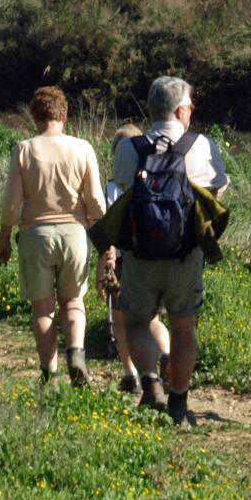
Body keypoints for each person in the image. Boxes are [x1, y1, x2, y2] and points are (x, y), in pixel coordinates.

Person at [98, 76, 229, 427]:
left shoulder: (129, 148)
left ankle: (151, 384)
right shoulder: (201, 146)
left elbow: (121, 188)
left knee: (138, 321)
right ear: (182, 110)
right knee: (184, 327)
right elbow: (217, 192)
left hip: (139, 253)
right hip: (185, 254)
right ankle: (179, 404)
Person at [0, 87, 106, 386]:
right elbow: (96, 201)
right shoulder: (83, 148)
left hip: (36, 235)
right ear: (65, 115)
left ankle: (49, 373)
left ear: (34, 116)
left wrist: (4, 237)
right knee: (73, 302)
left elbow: (11, 204)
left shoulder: (24, 149)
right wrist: (105, 237)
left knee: (43, 307)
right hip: (74, 234)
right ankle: (76, 355)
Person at [101, 123, 170, 401]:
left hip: (122, 260)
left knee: (122, 320)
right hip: (153, 255)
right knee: (152, 318)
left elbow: (107, 228)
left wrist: (103, 265)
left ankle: (131, 374)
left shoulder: (112, 187)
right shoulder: (154, 183)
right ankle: (166, 354)